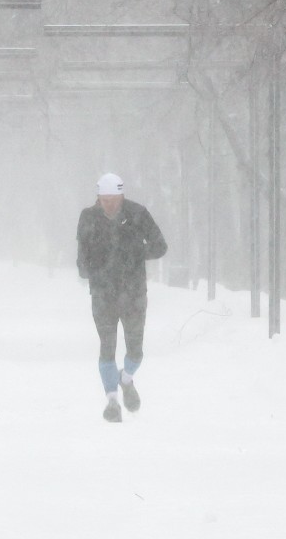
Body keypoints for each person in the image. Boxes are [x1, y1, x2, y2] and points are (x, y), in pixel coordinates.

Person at [76, 172, 167, 422]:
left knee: (135, 351)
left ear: (121, 195)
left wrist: (135, 254)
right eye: (104, 200)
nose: (109, 205)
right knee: (107, 347)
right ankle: (112, 402)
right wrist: (94, 265)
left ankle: (126, 379)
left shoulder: (138, 214)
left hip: (134, 292)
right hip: (103, 294)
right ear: (98, 197)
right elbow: (81, 262)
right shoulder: (88, 218)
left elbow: (160, 246)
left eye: (113, 199)